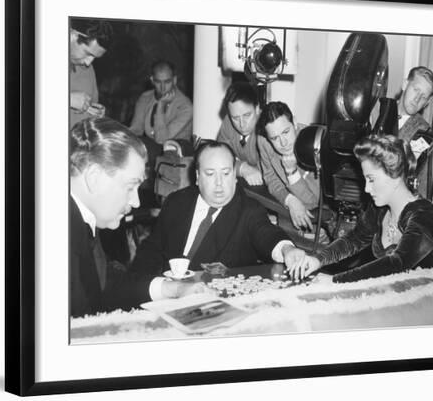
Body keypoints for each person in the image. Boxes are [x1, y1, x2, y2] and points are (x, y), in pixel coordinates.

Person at [129, 141, 308, 302]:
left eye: (225, 173)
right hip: (164, 295)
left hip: (211, 304)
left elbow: (267, 234)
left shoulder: (249, 210)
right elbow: (152, 248)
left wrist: (287, 249)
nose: (219, 183)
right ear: (198, 177)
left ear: (234, 176)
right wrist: (145, 290)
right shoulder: (177, 201)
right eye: (210, 174)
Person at [69, 118, 197, 317]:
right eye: (130, 187)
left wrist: (167, 288)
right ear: (94, 177)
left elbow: (102, 282)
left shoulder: (81, 219)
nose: (136, 202)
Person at [289, 134, 433, 283]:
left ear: (395, 176)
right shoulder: (379, 210)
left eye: (371, 179)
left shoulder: (427, 215)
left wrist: (336, 281)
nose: (367, 189)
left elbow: (397, 264)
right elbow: (352, 240)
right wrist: (317, 260)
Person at [256, 101, 320, 231]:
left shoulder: (313, 144)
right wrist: (290, 201)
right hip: (289, 210)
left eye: (286, 132)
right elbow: (271, 179)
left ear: (295, 123)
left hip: (318, 218)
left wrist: (292, 172)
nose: (283, 143)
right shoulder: (263, 141)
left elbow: (312, 202)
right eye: (274, 138)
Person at [130, 60, 193, 152]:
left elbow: (161, 140)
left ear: (174, 80)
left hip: (177, 155)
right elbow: (136, 130)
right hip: (150, 151)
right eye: (158, 82)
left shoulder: (185, 106)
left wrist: (160, 107)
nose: (163, 87)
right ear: (152, 80)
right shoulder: (145, 98)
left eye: (167, 82)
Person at [217, 82, 263, 186]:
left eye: (247, 115)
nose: (242, 124)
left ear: (257, 109)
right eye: (235, 118)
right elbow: (219, 158)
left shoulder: (266, 127)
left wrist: (235, 165)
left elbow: (268, 171)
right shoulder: (228, 122)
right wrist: (242, 168)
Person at [69, 18, 113, 128]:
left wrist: (95, 113)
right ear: (72, 36)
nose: (88, 63)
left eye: (94, 57)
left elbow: (91, 105)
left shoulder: (88, 69)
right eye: (87, 53)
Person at [396, 66, 433, 159]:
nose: (417, 99)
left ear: (426, 103)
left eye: (423, 97)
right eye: (416, 90)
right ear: (405, 84)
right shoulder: (376, 109)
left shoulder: (425, 133)